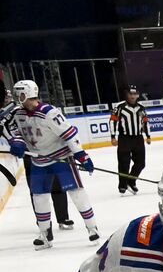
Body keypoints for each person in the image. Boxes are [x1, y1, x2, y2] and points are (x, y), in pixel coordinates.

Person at [6, 79, 97, 248]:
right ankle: (45, 234)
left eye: (20, 93)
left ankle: (92, 228)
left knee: (76, 192)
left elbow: (69, 134)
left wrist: (81, 155)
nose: (17, 96)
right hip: (39, 161)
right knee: (39, 197)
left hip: (60, 158)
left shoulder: (49, 113)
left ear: (27, 93)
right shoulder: (18, 113)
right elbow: (14, 131)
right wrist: (17, 142)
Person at [110, 85, 151, 195]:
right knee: (124, 163)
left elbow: (145, 122)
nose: (132, 96)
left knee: (140, 163)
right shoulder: (120, 107)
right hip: (124, 138)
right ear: (127, 94)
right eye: (130, 94)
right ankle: (122, 185)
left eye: (135, 94)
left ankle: (131, 181)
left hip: (138, 138)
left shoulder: (141, 108)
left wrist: (148, 136)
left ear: (138, 95)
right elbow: (113, 121)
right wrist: (113, 136)